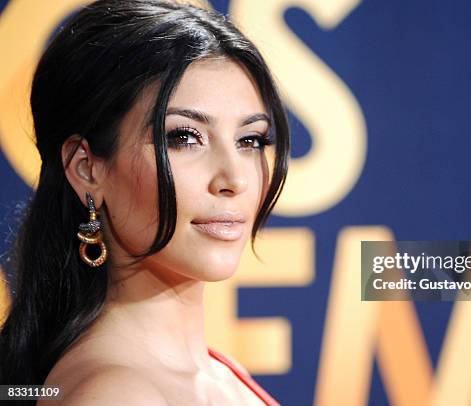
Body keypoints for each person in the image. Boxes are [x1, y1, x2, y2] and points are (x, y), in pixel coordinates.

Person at [0, 0, 289, 404]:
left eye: (250, 140)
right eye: (184, 137)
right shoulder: (115, 394)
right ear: (86, 169)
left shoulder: (220, 374)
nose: (235, 179)